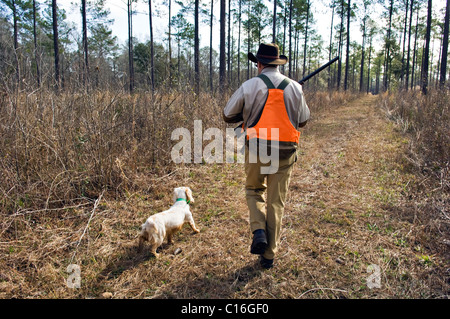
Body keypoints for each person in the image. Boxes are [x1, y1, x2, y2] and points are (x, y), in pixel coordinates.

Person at [223, 43, 310, 269]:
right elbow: (302, 120)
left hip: (257, 150)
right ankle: (269, 256)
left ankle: (258, 230)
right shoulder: (295, 88)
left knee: (254, 190)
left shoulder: (250, 85)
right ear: (278, 63)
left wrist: (248, 112)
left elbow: (227, 114)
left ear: (259, 63)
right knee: (276, 202)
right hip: (285, 152)